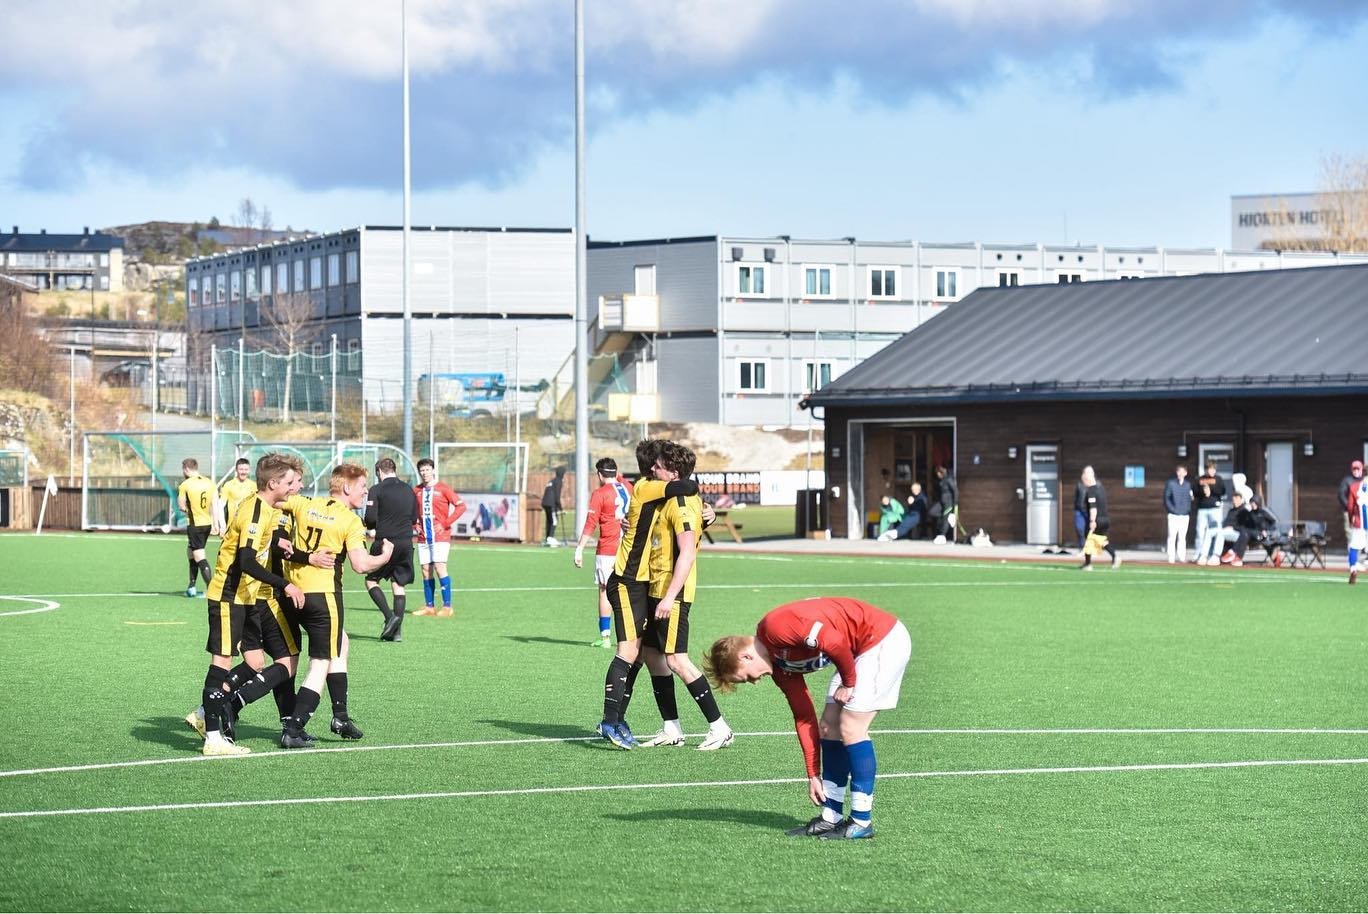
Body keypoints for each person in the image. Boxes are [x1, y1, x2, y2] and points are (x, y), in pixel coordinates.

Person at [704, 596, 912, 841]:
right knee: (828, 727)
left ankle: (861, 820)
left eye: (747, 678)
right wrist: (813, 774)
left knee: (851, 726)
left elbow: (834, 641)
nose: (755, 681)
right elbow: (804, 717)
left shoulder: (775, 627)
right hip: (857, 652)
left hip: (881, 639)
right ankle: (831, 815)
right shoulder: (779, 668)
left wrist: (849, 683)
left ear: (746, 658)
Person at [189, 452, 307, 756]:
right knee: (221, 663)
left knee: (255, 663)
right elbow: (245, 561)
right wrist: (285, 583)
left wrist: (276, 543)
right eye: (290, 481)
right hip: (229, 595)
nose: (295, 486)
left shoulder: (266, 506)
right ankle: (213, 737)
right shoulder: (256, 510)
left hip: (245, 597)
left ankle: (204, 715)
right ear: (273, 483)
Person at [277, 464, 394, 747]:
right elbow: (360, 564)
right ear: (347, 488)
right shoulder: (350, 521)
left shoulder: (306, 504)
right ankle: (294, 727)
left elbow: (278, 499)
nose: (366, 491)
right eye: (363, 486)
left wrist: (282, 530)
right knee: (321, 661)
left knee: (341, 642)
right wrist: (385, 556)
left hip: (292, 591)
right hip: (323, 595)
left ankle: (340, 715)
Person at [595, 439, 699, 749]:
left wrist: (707, 515)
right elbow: (686, 488)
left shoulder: (654, 496)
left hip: (642, 584)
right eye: (654, 464)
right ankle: (609, 721)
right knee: (628, 651)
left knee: (640, 655)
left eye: (659, 464)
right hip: (627, 581)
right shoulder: (645, 487)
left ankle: (617, 718)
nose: (655, 468)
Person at [636, 440, 733, 751]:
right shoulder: (672, 498)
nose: (653, 469)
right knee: (652, 655)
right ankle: (671, 727)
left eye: (659, 466)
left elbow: (687, 554)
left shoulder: (681, 506)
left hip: (672, 592)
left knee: (677, 659)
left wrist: (669, 597)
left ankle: (719, 727)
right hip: (656, 586)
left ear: (673, 472)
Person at [574, 457, 632, 648]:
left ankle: (606, 637)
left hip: (608, 548)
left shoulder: (600, 493)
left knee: (605, 591)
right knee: (629, 591)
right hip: (629, 547)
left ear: (599, 475)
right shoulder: (629, 488)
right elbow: (621, 480)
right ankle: (631, 636)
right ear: (616, 472)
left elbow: (591, 523)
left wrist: (580, 549)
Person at [364, 457, 419, 642]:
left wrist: (374, 523)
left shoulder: (376, 489)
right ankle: (396, 633)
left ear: (379, 471)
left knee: (371, 580)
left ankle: (390, 618)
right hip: (406, 542)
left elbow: (370, 519)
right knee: (398, 584)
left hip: (386, 542)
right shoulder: (409, 490)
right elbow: (413, 518)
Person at [413, 457, 465, 617]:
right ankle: (429, 607)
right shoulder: (416, 490)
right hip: (423, 537)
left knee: (439, 567)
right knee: (425, 569)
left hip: (441, 536)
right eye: (422, 470)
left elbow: (461, 506)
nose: (424, 473)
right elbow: (411, 511)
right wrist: (415, 525)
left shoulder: (443, 488)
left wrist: (445, 523)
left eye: (427, 469)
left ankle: (447, 607)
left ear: (433, 470)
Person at [176, 457, 217, 597]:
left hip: (195, 525)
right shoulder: (209, 482)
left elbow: (181, 506)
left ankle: (211, 590)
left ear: (186, 469)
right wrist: (216, 523)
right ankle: (192, 586)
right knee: (190, 552)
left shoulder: (185, 484)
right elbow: (214, 504)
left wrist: (187, 508)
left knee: (199, 555)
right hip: (207, 523)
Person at [1079, 465, 1120, 570]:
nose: (1083, 480)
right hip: (1105, 520)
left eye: (1084, 477)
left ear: (1088, 477)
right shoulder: (1100, 488)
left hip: (1097, 520)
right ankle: (1115, 557)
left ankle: (1088, 564)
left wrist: (1092, 521)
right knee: (1101, 541)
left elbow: (1093, 508)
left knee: (1089, 538)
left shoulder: (1091, 491)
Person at [1194, 461, 1227, 565]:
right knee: (1200, 532)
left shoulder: (1219, 479)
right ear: (1206, 469)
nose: (1211, 471)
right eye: (1209, 469)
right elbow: (1195, 492)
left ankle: (1212, 554)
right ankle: (1199, 554)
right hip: (1202, 509)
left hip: (1215, 509)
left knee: (1214, 531)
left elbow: (1223, 491)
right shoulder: (1199, 479)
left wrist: (1211, 490)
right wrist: (1202, 491)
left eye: (1213, 469)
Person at [1163, 464, 1194, 564]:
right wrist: (1172, 509)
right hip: (1173, 515)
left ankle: (1181, 557)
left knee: (1182, 537)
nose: (1181, 473)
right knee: (1172, 536)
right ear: (1177, 473)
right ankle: (1171, 558)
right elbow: (1166, 498)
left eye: (1183, 472)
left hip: (1184, 515)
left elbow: (1190, 498)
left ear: (1186, 473)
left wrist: (1187, 509)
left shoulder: (1188, 485)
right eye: (1179, 471)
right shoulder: (1171, 483)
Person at [1216, 491, 1256, 567]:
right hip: (1228, 531)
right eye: (1234, 499)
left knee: (1220, 533)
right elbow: (1225, 523)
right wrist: (1227, 526)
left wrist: (1233, 527)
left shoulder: (1244, 512)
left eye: (1237, 499)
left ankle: (1218, 555)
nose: (1235, 501)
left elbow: (1245, 527)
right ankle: (1211, 555)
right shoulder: (1231, 511)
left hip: (1239, 534)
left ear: (1241, 500)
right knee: (1214, 532)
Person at [1245, 495, 1286, 567]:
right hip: (1259, 535)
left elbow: (1275, 521)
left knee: (1270, 543)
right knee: (1264, 543)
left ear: (1258, 503)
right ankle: (1276, 558)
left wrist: (1267, 531)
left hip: (1270, 534)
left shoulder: (1264, 511)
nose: (1252, 504)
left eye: (1254, 502)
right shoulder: (1250, 514)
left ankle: (1276, 558)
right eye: (1251, 502)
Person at [219, 458, 257, 530]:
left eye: (246, 469)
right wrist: (222, 525)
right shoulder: (229, 485)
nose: (243, 472)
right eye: (241, 469)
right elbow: (220, 506)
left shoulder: (253, 485)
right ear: (236, 470)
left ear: (249, 470)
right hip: (232, 527)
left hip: (247, 526)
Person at [1340, 460, 1365, 571]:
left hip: (1363, 514)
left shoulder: (1363, 482)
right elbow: (1341, 495)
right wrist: (1352, 510)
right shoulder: (1348, 481)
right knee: (1352, 537)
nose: (1356, 471)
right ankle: (1354, 561)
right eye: (1354, 469)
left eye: (1358, 468)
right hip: (1354, 514)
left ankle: (1357, 562)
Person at [1348, 471, 1368, 585]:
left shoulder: (1355, 487)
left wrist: (1351, 519)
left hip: (1359, 523)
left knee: (1354, 548)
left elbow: (1350, 506)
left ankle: (1353, 569)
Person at [931, 465, 957, 544]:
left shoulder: (949, 479)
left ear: (941, 473)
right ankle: (947, 518)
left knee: (945, 519)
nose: (937, 475)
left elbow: (955, 491)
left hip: (948, 502)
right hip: (942, 501)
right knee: (932, 512)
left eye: (938, 474)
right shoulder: (942, 481)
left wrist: (955, 503)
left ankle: (942, 535)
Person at [542, 466, 566, 546]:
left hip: (545, 503)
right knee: (554, 521)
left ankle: (547, 538)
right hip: (551, 503)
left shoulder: (552, 480)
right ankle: (550, 538)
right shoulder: (559, 481)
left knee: (549, 521)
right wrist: (561, 508)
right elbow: (557, 496)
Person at [1072, 475, 1088, 551]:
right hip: (1079, 511)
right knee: (1079, 529)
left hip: (1088, 510)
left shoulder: (1092, 487)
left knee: (1088, 530)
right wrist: (1076, 508)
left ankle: (1089, 549)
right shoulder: (1079, 486)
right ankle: (1082, 547)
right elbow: (1076, 498)